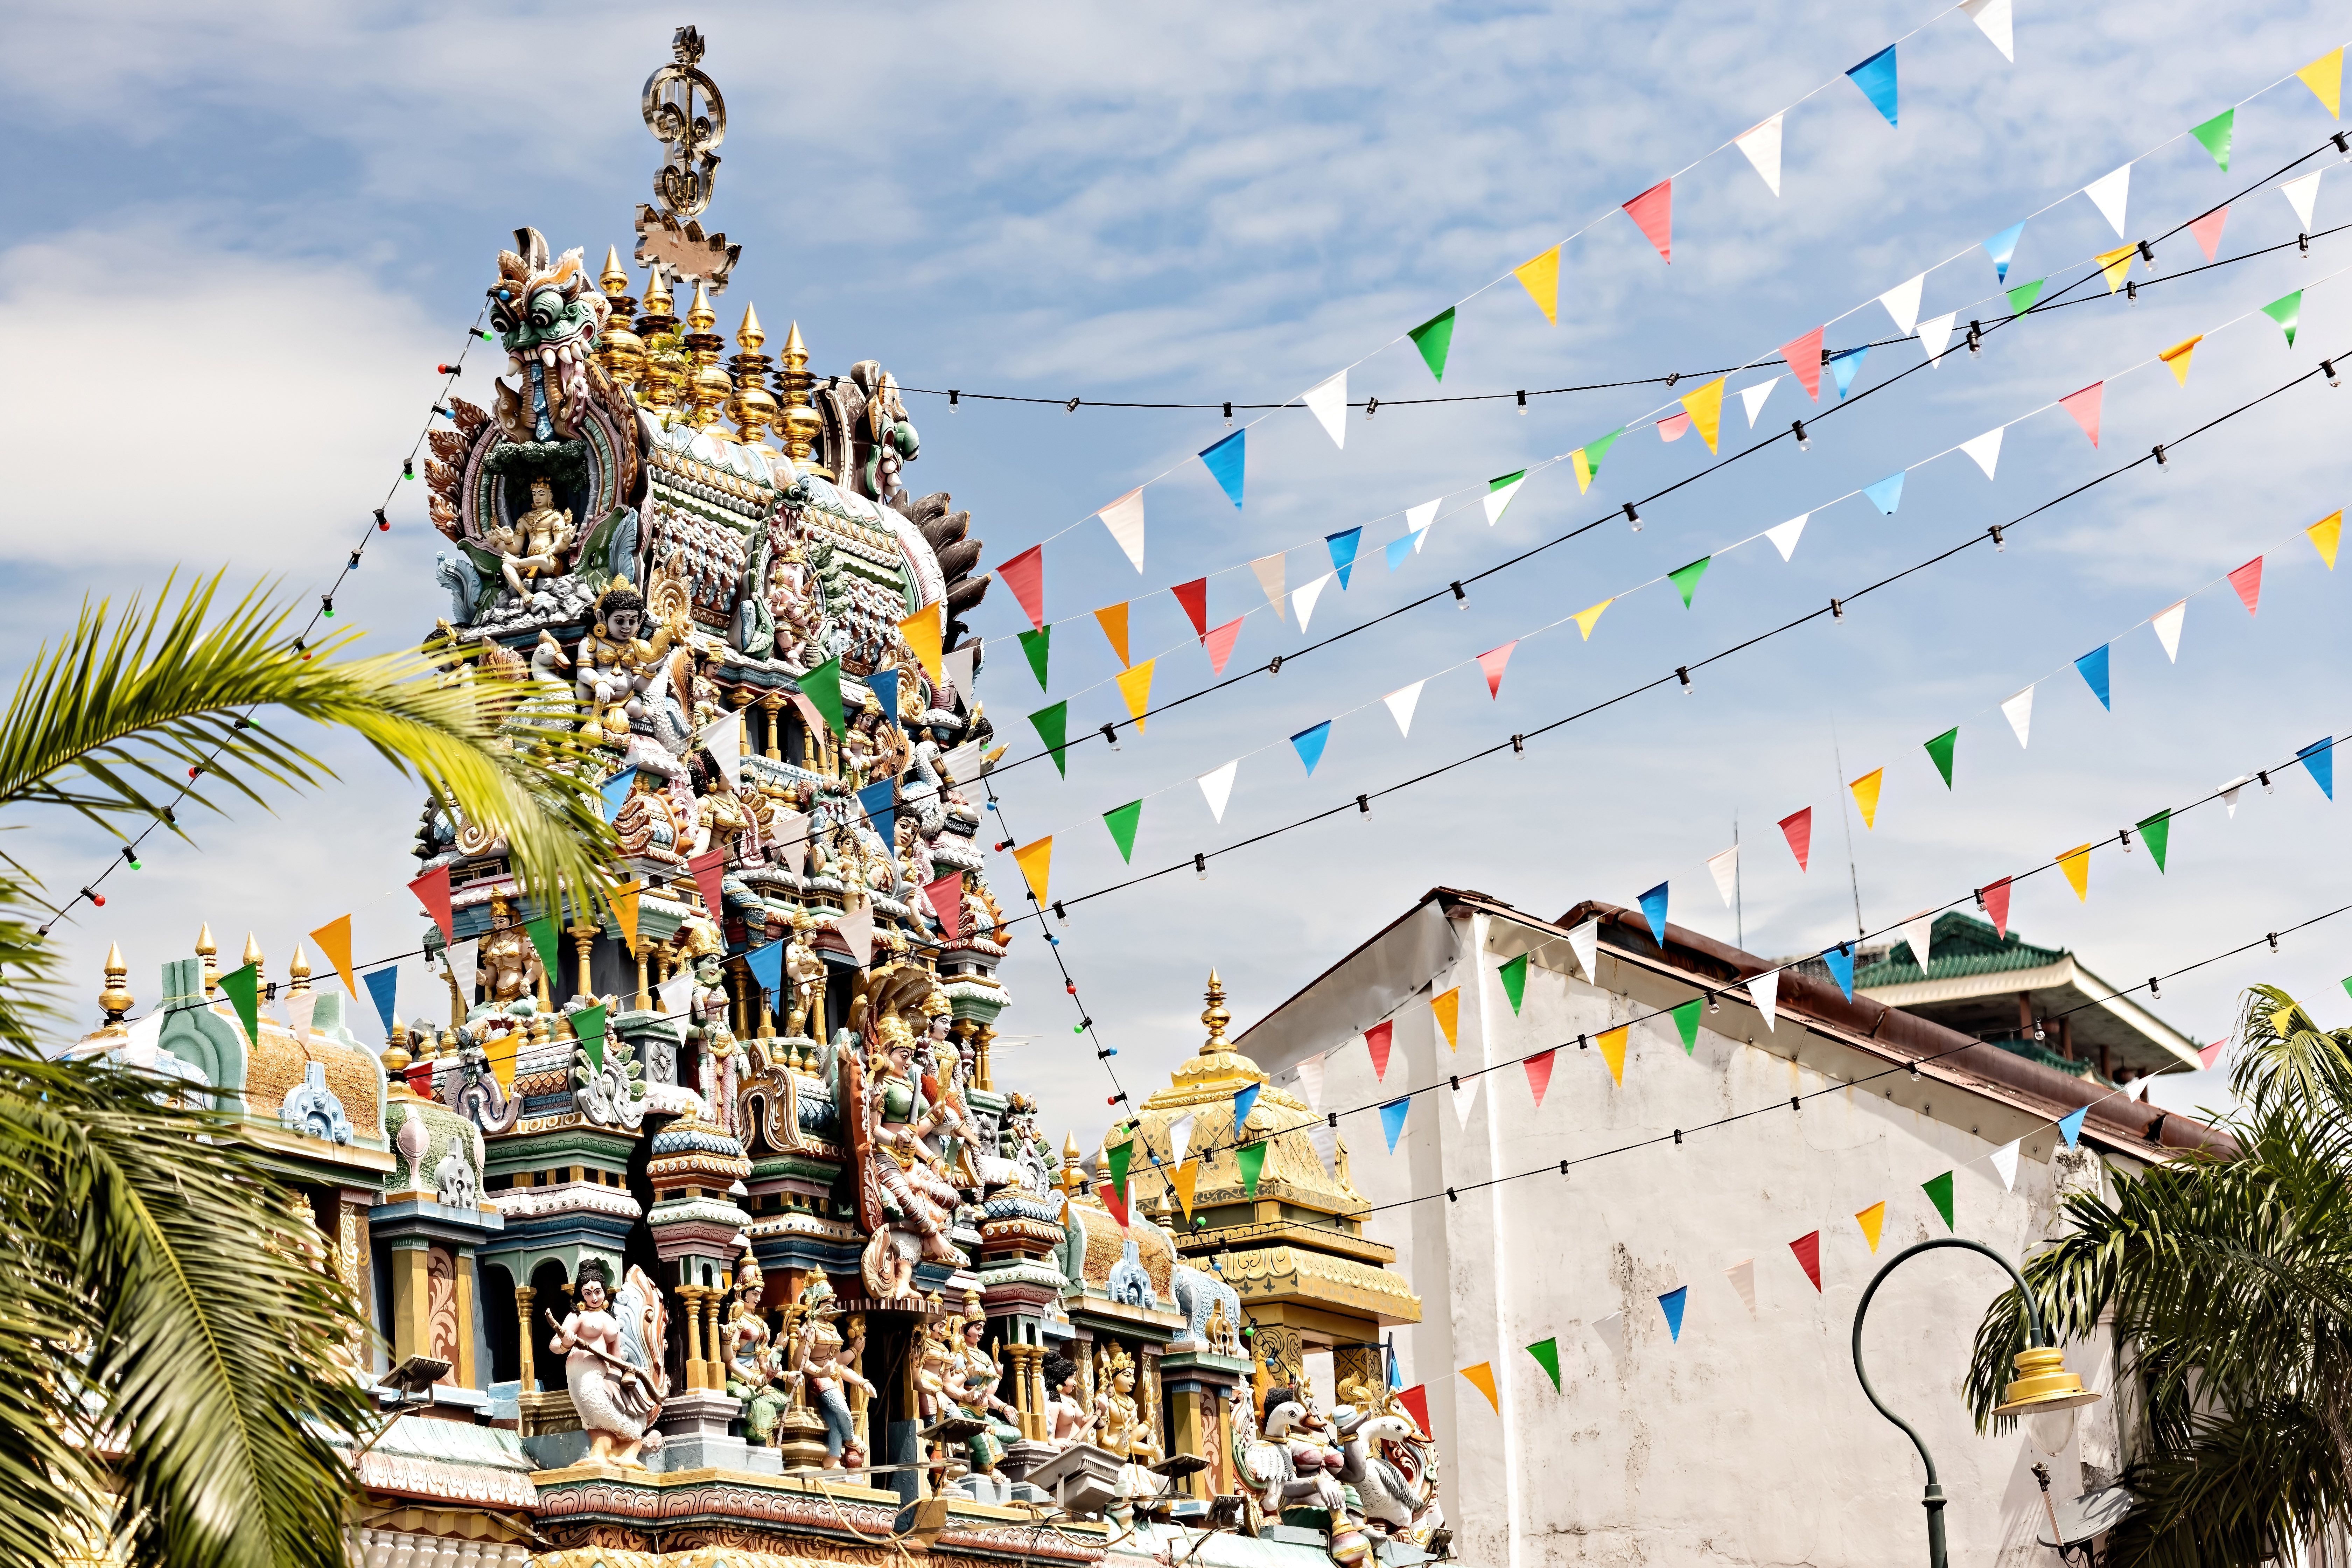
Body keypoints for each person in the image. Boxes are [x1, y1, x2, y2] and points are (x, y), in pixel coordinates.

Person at [546, 1258, 664, 1466]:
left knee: (610, 1407)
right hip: (582, 1369)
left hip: (605, 1371)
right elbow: (554, 1346)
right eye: (588, 1293)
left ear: (605, 1291)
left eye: (598, 1291)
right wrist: (566, 1342)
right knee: (594, 1408)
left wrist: (626, 1374)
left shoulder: (611, 1321)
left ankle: (616, 1447)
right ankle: (626, 1442)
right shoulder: (578, 1316)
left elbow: (616, 1356)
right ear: (581, 1294)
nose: (594, 1297)